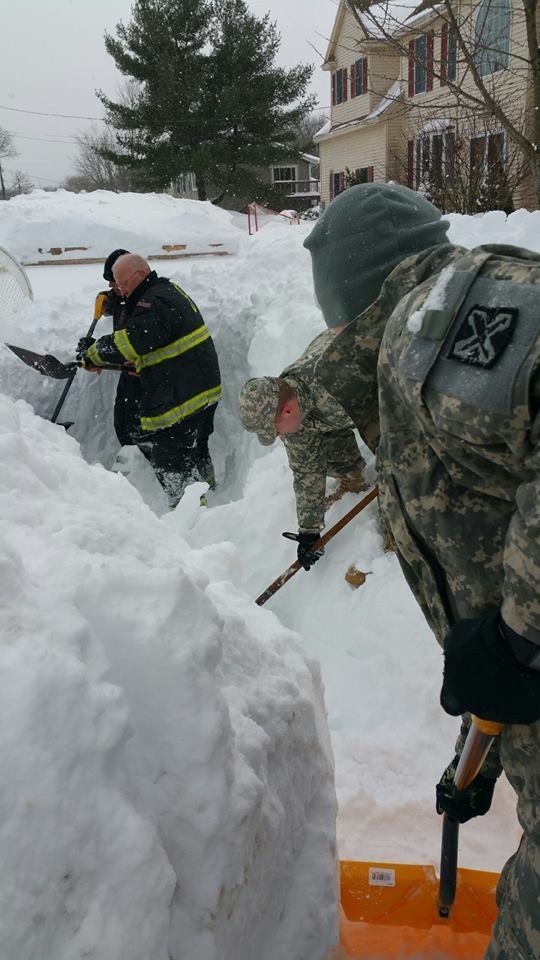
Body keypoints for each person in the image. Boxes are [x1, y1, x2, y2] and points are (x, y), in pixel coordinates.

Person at [303, 182, 540, 959]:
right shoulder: (421, 341)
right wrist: (490, 736)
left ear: (354, 286)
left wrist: (519, 643)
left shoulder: (441, 321)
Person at [78, 253, 221, 508]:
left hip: (183, 398)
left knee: (172, 462)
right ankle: (212, 488)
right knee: (197, 446)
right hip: (201, 388)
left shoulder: (153, 303)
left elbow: (132, 341)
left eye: (122, 284)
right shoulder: (165, 290)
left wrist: (93, 353)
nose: (120, 290)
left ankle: (193, 517)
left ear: (140, 275)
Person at [238, 329, 368, 570]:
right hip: (340, 407)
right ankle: (353, 479)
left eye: (275, 430)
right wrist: (309, 531)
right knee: (314, 444)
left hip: (379, 371)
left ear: (286, 412)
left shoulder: (334, 385)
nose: (278, 436)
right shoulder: (289, 403)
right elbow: (307, 469)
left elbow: (395, 406)